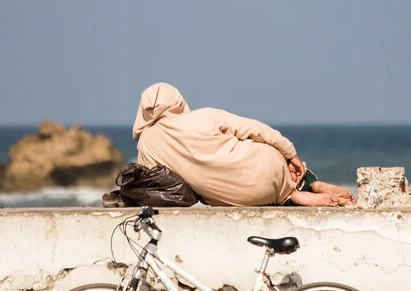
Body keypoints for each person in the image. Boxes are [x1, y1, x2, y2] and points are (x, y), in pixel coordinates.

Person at [133, 83, 354, 207]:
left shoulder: (147, 143)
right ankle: (310, 184)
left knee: (222, 191)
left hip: (240, 198)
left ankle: (292, 197)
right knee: (261, 151)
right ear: (178, 101)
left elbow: (157, 184)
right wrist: (291, 155)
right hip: (267, 165)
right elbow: (258, 130)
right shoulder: (205, 116)